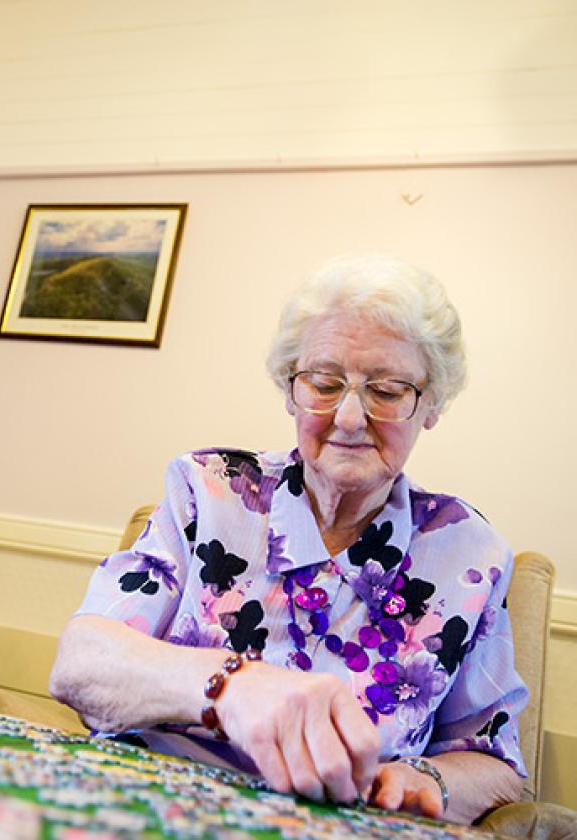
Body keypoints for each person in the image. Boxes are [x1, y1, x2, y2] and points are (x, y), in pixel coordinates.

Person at [49, 254, 527, 825]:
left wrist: (425, 780)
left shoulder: (468, 553)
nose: (350, 417)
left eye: (389, 390)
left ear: (430, 406)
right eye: (324, 385)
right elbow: (81, 663)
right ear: (288, 390)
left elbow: (496, 764)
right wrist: (231, 687)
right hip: (147, 813)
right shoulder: (211, 491)